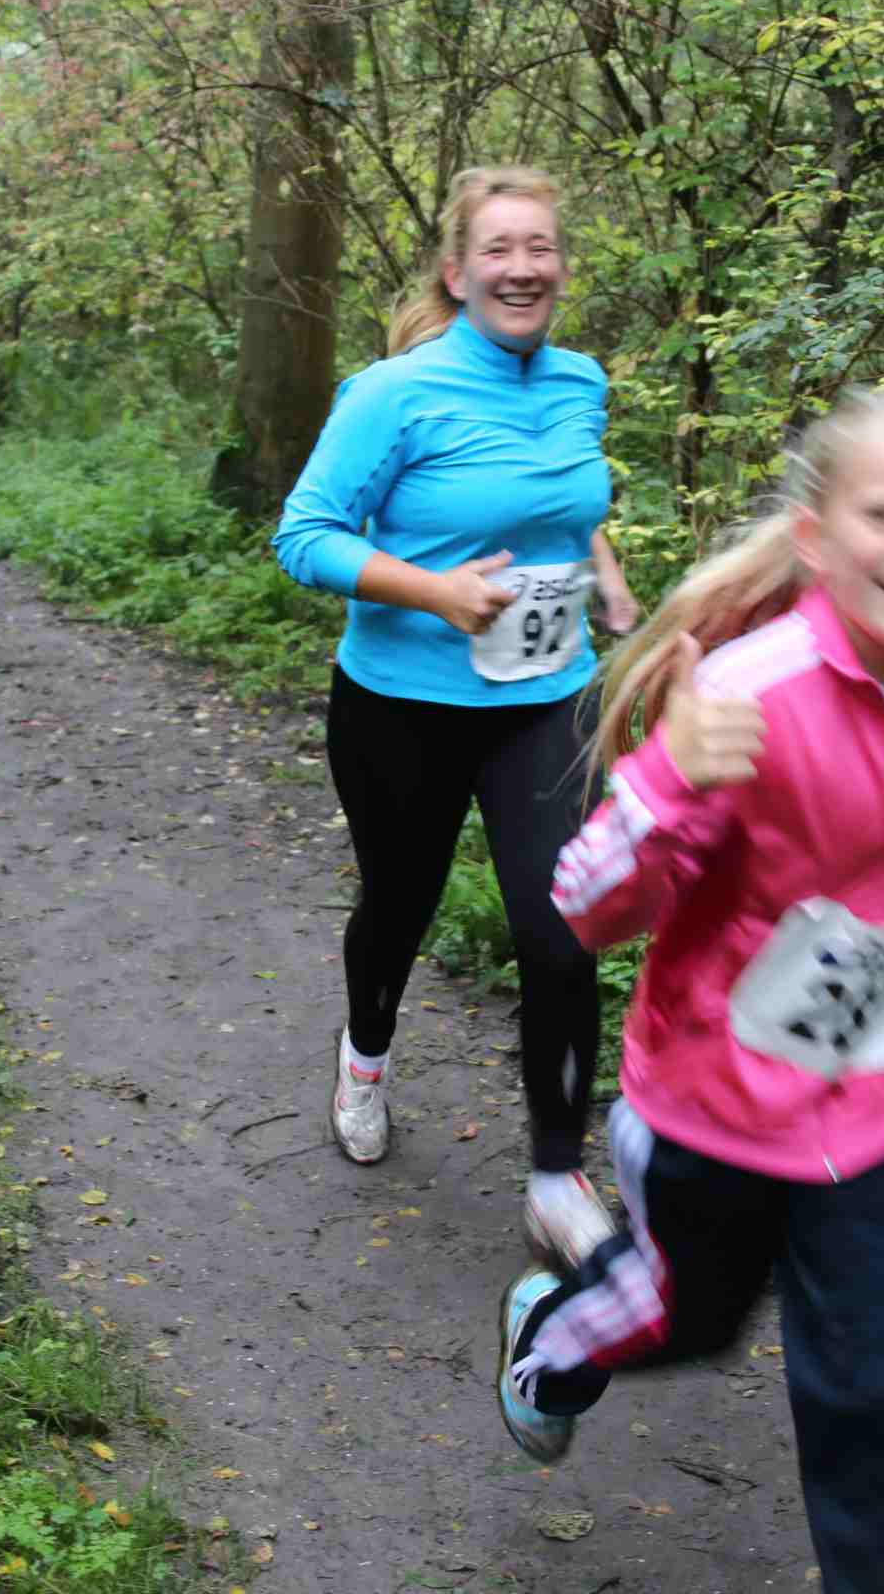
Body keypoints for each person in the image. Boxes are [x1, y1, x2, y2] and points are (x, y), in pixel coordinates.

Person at [493, 385, 884, 1594]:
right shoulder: (754, 692)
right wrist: (671, 778)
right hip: (711, 1108)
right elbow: (588, 904)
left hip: (868, 1109)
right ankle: (553, 1337)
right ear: (816, 538)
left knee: (882, 1379)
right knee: (685, 1320)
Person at [272, 165, 638, 1268]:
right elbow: (305, 536)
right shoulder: (395, 394)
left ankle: (558, 1176)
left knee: (564, 924)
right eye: (499, 249)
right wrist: (435, 591)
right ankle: (366, 1054)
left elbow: (561, 499)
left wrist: (604, 575)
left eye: (541, 248)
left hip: (548, 699)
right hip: (402, 706)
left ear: (561, 267)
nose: (523, 268)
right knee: (400, 906)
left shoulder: (579, 382)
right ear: (457, 272)